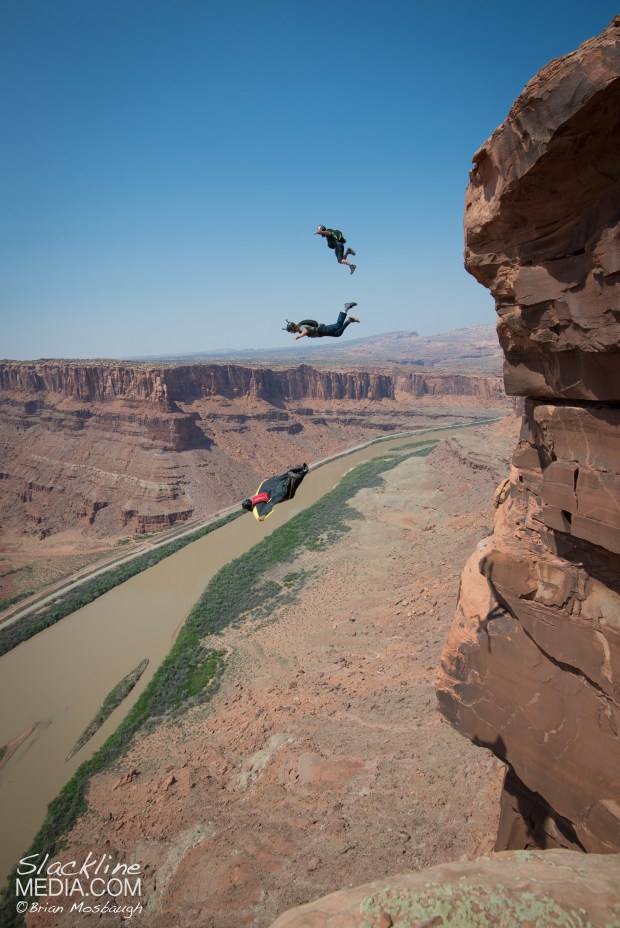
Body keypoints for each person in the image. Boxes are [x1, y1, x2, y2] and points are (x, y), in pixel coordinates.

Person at [241, 463, 310, 522]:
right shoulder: (257, 494)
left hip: (278, 495)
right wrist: (266, 481)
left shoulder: (256, 509)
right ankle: (301, 470)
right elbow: (263, 484)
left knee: (290, 492)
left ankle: (299, 474)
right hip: (274, 489)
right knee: (285, 480)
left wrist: (262, 517)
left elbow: (260, 517)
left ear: (249, 508)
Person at [284, 303, 360, 340]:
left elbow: (305, 330)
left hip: (322, 329)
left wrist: (300, 336)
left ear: (293, 327)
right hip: (322, 332)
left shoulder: (300, 328)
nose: (291, 332)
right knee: (338, 333)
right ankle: (349, 320)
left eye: (290, 330)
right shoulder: (299, 329)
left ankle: (346, 308)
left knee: (338, 325)